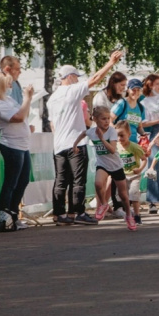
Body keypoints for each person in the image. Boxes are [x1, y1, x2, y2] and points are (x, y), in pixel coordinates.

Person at [47, 50, 123, 226]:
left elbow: (52, 124)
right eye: (76, 76)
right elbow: (95, 79)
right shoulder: (71, 90)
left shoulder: (52, 98)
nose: (78, 79)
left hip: (59, 144)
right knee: (78, 180)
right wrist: (110, 62)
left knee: (60, 180)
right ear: (70, 77)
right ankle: (78, 213)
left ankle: (59, 215)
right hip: (76, 142)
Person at [73, 106, 136, 230]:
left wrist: (102, 139)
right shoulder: (92, 131)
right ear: (95, 119)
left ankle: (129, 215)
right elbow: (83, 133)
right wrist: (75, 145)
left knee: (123, 195)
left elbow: (112, 150)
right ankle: (103, 204)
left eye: (108, 118)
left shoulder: (111, 131)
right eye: (103, 119)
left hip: (116, 166)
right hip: (102, 165)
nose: (107, 121)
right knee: (98, 183)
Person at [0, 72, 34, 231]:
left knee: (22, 181)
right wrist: (27, 98)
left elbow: (24, 114)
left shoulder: (8, 99)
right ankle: (3, 215)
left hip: (22, 145)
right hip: (11, 145)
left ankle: (13, 215)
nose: (10, 85)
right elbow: (19, 117)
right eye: (7, 82)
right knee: (11, 182)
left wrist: (28, 101)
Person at [114, 120, 147, 225]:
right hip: (123, 176)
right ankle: (128, 214)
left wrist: (140, 169)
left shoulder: (134, 147)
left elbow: (144, 159)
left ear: (129, 134)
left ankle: (137, 216)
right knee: (124, 197)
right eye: (117, 136)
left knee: (134, 195)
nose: (119, 139)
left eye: (122, 135)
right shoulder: (116, 147)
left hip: (134, 176)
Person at [140, 74, 159, 213]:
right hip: (156, 131)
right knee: (154, 164)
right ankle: (153, 200)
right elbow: (143, 123)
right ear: (149, 85)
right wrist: (158, 120)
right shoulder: (145, 103)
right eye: (156, 84)